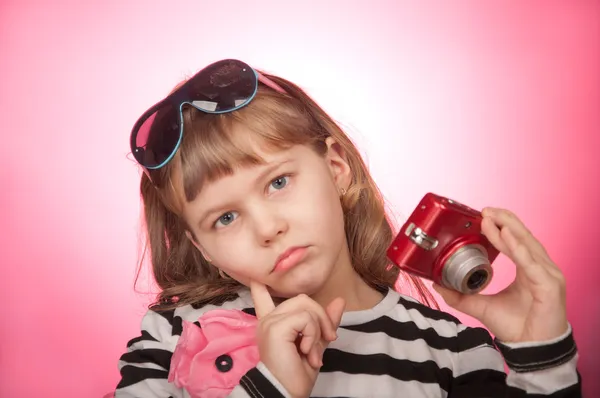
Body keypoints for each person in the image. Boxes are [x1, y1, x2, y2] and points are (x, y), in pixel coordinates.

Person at [115, 59, 582, 397]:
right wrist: (269, 389)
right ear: (204, 247)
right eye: (226, 218)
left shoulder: (453, 353)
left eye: (278, 182)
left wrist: (542, 359)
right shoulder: (175, 333)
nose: (268, 228)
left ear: (336, 167)